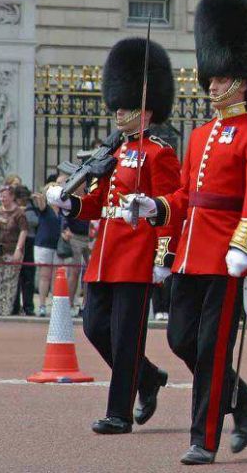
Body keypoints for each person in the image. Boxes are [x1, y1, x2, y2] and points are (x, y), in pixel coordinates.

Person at [124, 0, 247, 465]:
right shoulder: (201, 134)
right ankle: (244, 400)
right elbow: (187, 196)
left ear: (245, 83)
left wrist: (243, 245)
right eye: (212, 76)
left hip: (225, 255)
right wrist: (156, 208)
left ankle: (203, 438)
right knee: (180, 339)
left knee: (212, 349)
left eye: (223, 77)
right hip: (192, 250)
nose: (212, 84)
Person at [48, 37, 180, 436]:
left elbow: (171, 206)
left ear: (145, 108)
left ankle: (119, 413)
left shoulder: (159, 152)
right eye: (117, 105)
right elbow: (98, 203)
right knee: (93, 328)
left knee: (125, 337)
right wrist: (69, 204)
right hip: (105, 253)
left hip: (136, 254)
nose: (117, 111)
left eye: (124, 105)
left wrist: (163, 255)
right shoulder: (115, 152)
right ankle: (149, 376)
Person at [0, 185, 28, 317]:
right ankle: (0, 307)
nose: (2, 198)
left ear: (12, 197)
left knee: (10, 281)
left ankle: (7, 309)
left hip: (12, 250)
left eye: (5, 196)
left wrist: (19, 249)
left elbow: (24, 231)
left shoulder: (19, 213)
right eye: (1, 196)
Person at [31, 182, 62, 317]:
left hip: (58, 245)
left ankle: (56, 305)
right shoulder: (45, 207)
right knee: (45, 276)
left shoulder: (61, 207)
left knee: (58, 276)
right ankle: (42, 305)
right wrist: (40, 198)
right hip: (44, 244)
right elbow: (41, 204)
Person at [11, 185, 36, 316]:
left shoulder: (32, 207)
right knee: (15, 276)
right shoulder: (12, 209)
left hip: (30, 241)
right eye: (21, 199)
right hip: (15, 241)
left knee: (28, 276)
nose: (23, 201)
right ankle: (14, 306)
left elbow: (35, 221)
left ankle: (28, 306)